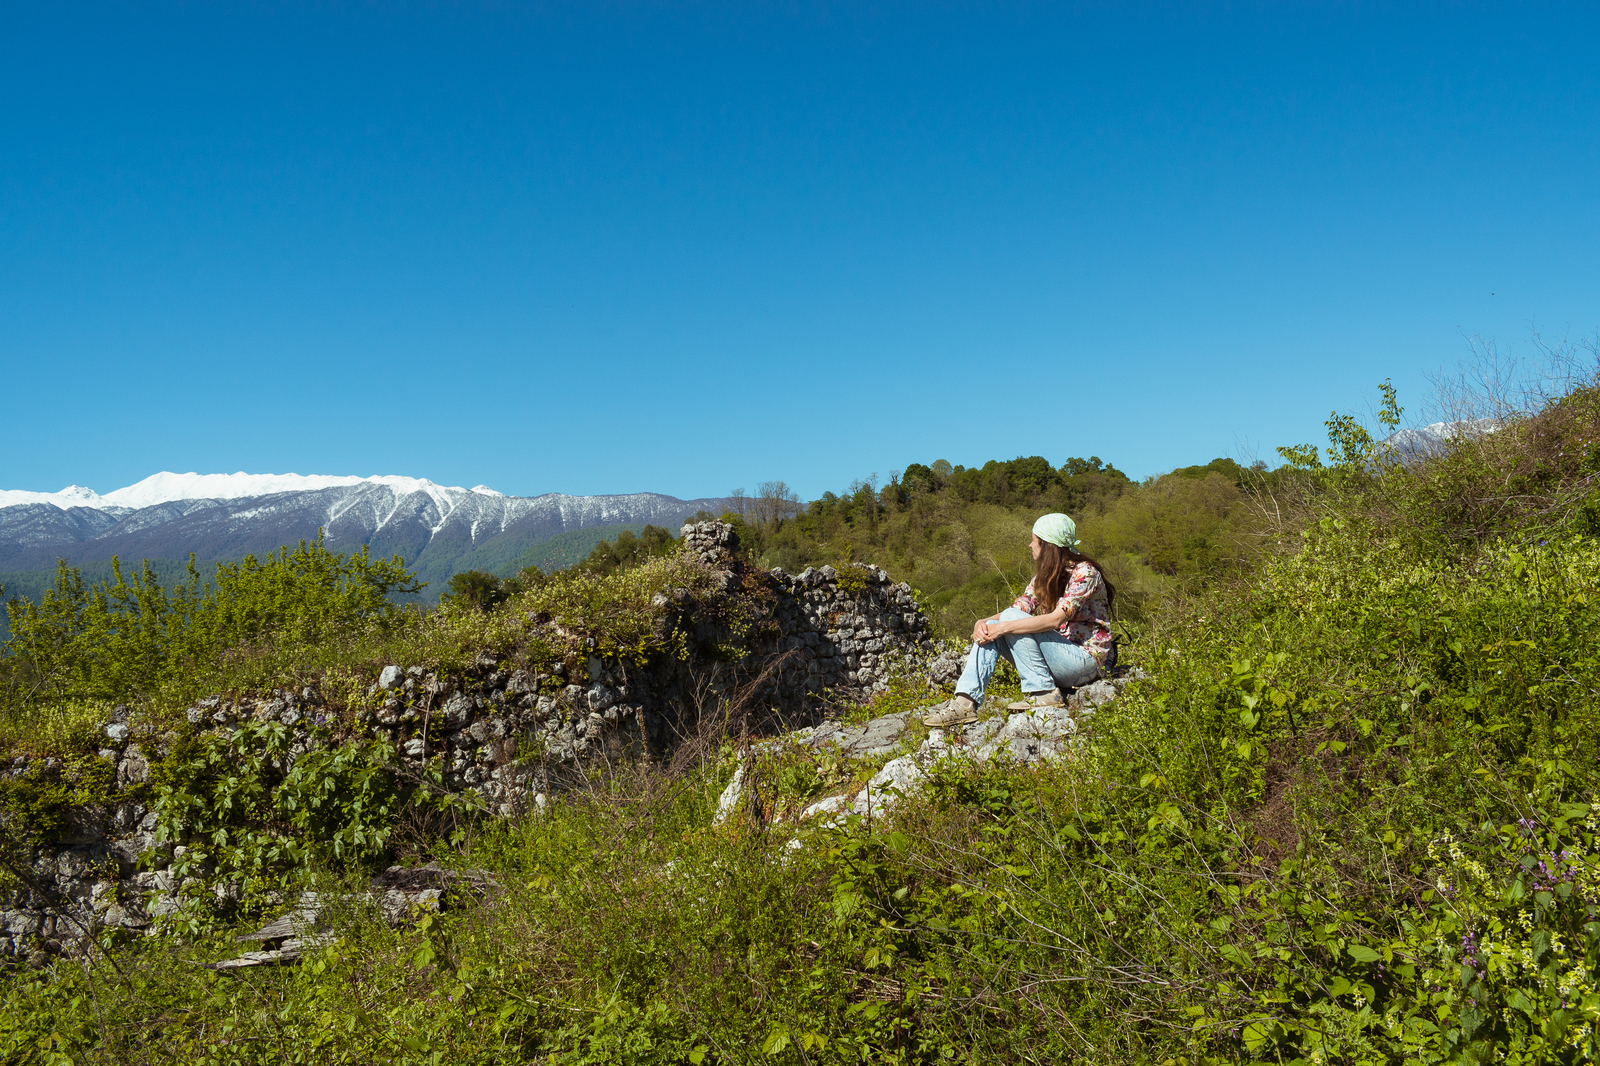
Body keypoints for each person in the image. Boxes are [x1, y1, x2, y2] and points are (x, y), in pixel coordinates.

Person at [923, 512, 1116, 729]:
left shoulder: (1085, 573)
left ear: (1047, 545)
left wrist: (1003, 626)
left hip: (1084, 662)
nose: (1030, 545)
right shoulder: (1046, 574)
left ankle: (1044, 692)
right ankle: (965, 704)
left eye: (1034, 541)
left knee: (1005, 622)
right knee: (997, 624)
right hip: (1059, 659)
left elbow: (1055, 619)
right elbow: (1018, 608)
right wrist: (983, 622)